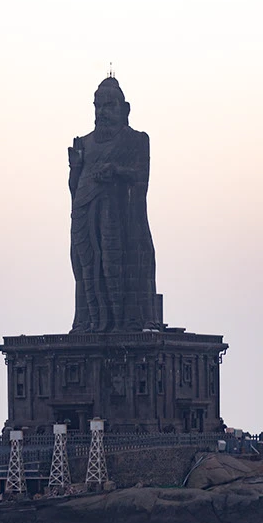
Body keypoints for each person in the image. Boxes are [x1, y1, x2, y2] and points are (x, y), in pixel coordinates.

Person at [67, 77, 159, 332]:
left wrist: (116, 171)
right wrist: (75, 167)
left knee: (116, 269)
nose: (102, 113)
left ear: (125, 109)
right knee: (88, 272)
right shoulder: (85, 143)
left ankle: (127, 322)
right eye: (98, 106)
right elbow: (75, 189)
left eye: (109, 106)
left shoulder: (136, 140)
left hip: (122, 222)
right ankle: (89, 322)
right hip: (86, 219)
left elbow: (141, 179)